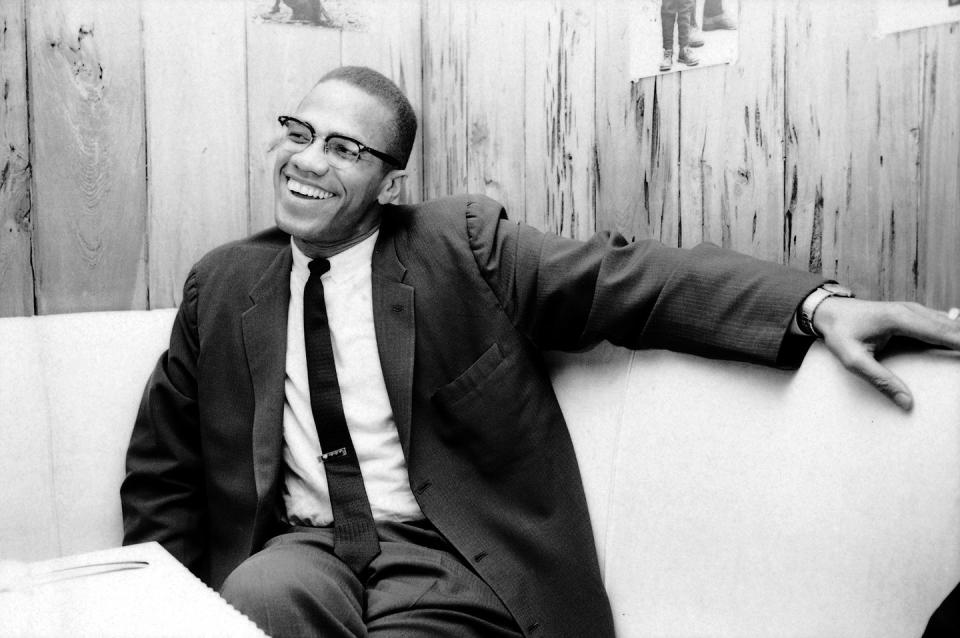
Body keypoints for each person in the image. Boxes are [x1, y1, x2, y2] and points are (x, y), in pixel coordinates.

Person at [121, 65, 960, 637]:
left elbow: (632, 281)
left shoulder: (462, 245)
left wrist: (816, 306)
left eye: (344, 148)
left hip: (447, 553)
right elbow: (163, 469)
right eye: (299, 132)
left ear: (391, 181)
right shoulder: (224, 283)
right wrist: (163, 608)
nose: (307, 160)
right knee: (255, 600)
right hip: (305, 547)